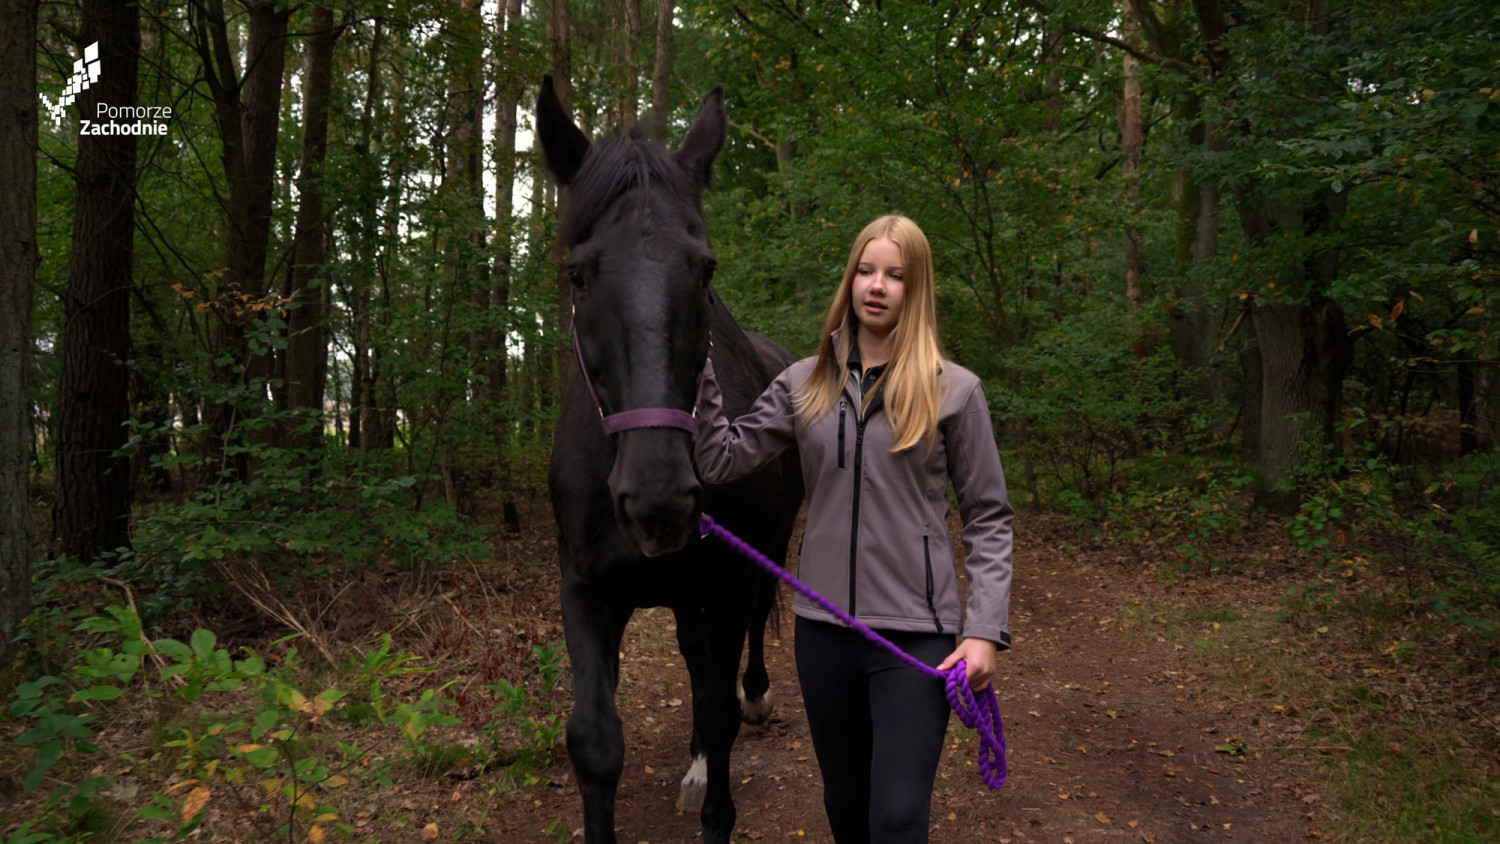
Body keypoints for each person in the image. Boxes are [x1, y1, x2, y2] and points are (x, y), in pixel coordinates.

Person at [695, 214, 1014, 843]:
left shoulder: (955, 392)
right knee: (845, 808)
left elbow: (988, 516)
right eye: (866, 271)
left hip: (916, 638)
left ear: (916, 289)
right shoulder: (803, 383)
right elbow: (720, 458)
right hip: (823, 634)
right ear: (850, 280)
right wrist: (698, 367)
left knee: (896, 816)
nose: (877, 285)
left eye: (895, 275)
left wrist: (983, 631)